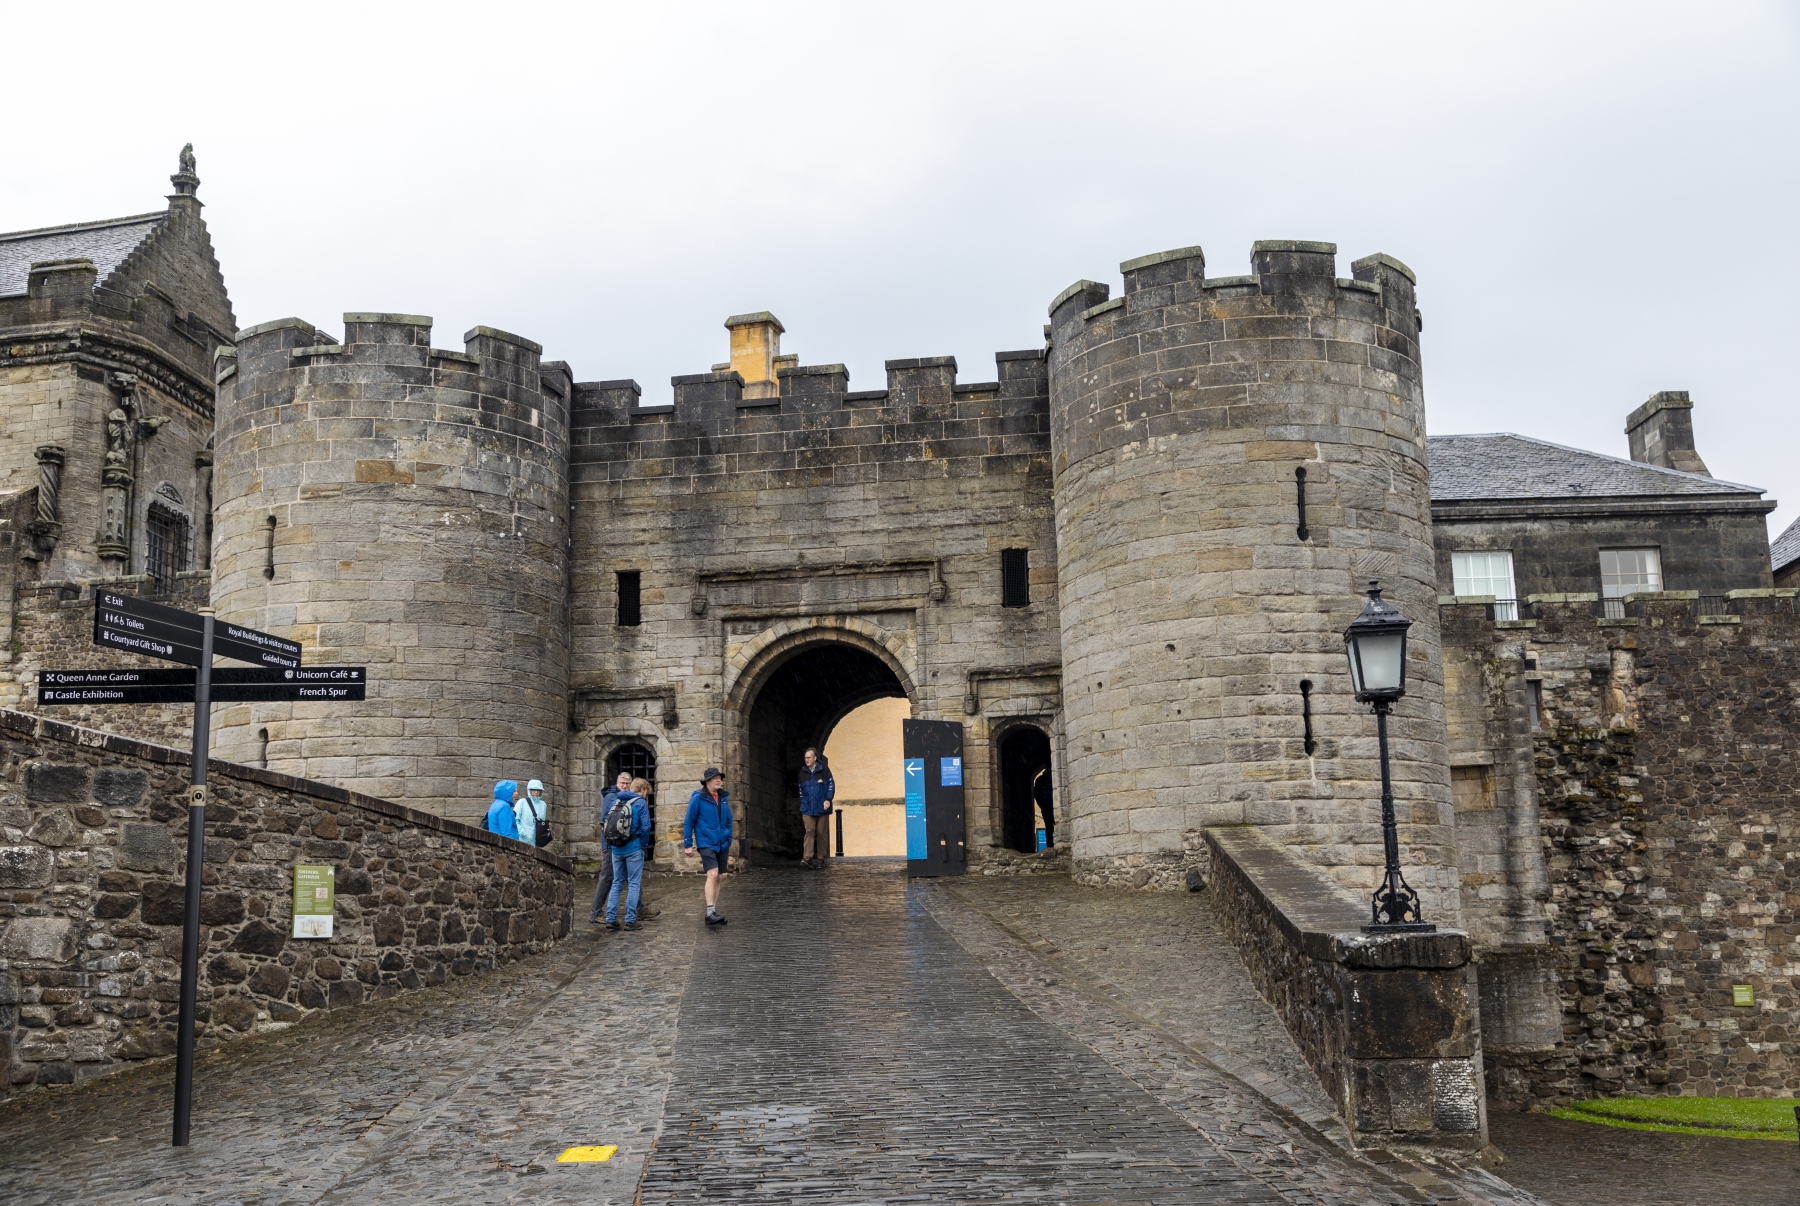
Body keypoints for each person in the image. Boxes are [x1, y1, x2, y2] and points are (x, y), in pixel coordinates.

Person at [592, 771, 658, 924]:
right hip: (627, 847)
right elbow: (646, 827)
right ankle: (629, 919)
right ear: (642, 790)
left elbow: (607, 822)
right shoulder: (637, 802)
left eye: (627, 784)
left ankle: (612, 918)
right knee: (630, 882)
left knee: (617, 882)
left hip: (616, 848)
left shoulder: (616, 800)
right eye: (622, 783)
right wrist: (642, 846)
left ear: (630, 785)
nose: (624, 786)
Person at [683, 768, 732, 926]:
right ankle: (709, 912)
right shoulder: (698, 798)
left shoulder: (723, 798)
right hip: (706, 841)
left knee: (719, 876)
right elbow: (689, 821)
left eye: (720, 778)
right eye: (715, 778)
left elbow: (728, 819)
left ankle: (713, 911)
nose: (719, 780)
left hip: (721, 842)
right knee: (712, 873)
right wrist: (688, 844)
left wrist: (728, 837)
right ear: (707, 781)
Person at [797, 747, 834, 869]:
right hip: (807, 808)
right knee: (809, 831)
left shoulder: (824, 770)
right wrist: (803, 802)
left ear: (815, 758)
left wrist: (828, 799)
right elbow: (801, 790)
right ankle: (808, 857)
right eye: (805, 757)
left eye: (808, 757)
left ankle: (821, 858)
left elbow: (831, 785)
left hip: (822, 807)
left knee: (821, 833)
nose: (806, 760)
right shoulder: (802, 773)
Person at [516, 778, 548, 846]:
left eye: (538, 790)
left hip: (537, 841)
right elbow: (515, 820)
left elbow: (543, 822)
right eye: (533, 790)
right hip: (523, 840)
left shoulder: (543, 805)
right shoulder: (522, 802)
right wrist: (522, 833)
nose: (536, 792)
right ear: (529, 790)